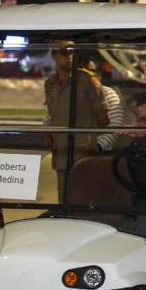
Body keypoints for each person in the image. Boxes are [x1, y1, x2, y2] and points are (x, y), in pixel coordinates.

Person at [44, 47, 108, 201]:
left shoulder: (87, 81)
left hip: (83, 151)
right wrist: (48, 134)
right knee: (63, 198)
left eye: (73, 52)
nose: (70, 57)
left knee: (84, 198)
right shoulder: (50, 83)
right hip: (61, 151)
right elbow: (52, 114)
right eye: (65, 53)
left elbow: (104, 118)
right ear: (54, 55)